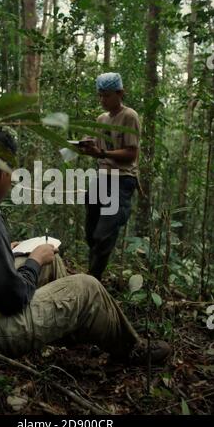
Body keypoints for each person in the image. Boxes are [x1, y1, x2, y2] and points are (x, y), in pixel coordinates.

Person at [0, 127, 169, 364]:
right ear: (2, 172)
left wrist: (8, 248)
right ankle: (132, 349)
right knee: (87, 287)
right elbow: (13, 299)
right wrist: (34, 260)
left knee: (53, 262)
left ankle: (71, 328)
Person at [80, 72, 140, 281]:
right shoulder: (101, 119)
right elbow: (99, 148)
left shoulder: (129, 116)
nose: (102, 100)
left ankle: (92, 280)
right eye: (100, 96)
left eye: (106, 95)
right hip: (101, 177)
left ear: (120, 93)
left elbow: (131, 154)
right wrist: (88, 145)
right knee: (91, 232)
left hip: (121, 179)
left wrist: (103, 153)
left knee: (103, 234)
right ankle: (91, 275)